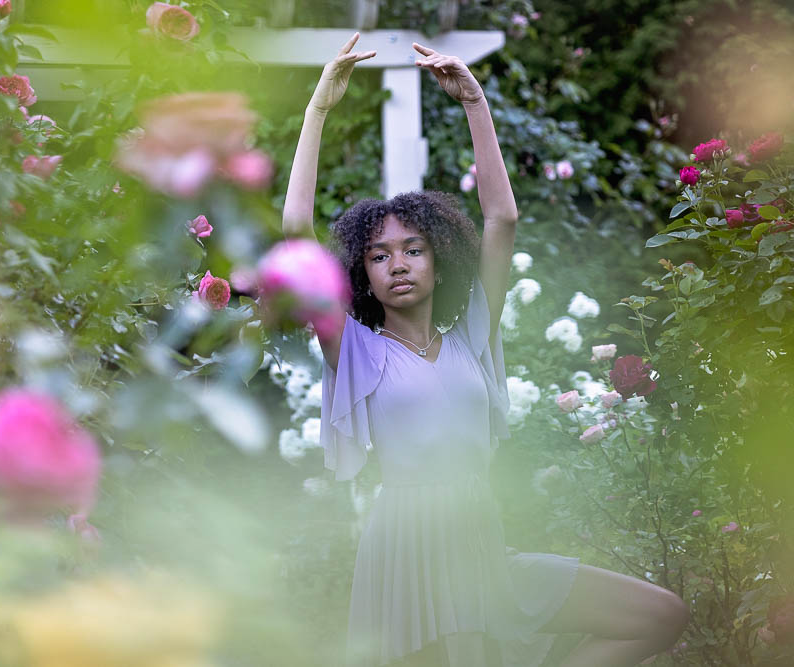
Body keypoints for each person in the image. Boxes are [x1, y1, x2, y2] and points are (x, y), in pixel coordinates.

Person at [281, 32, 690, 667]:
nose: (398, 265)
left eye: (414, 249)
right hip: (406, 554)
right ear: (362, 275)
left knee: (660, 616)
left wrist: (475, 101)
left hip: (481, 545)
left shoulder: (473, 335)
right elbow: (295, 232)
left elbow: (501, 218)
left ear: (439, 263)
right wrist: (318, 110)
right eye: (378, 255)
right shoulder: (355, 350)